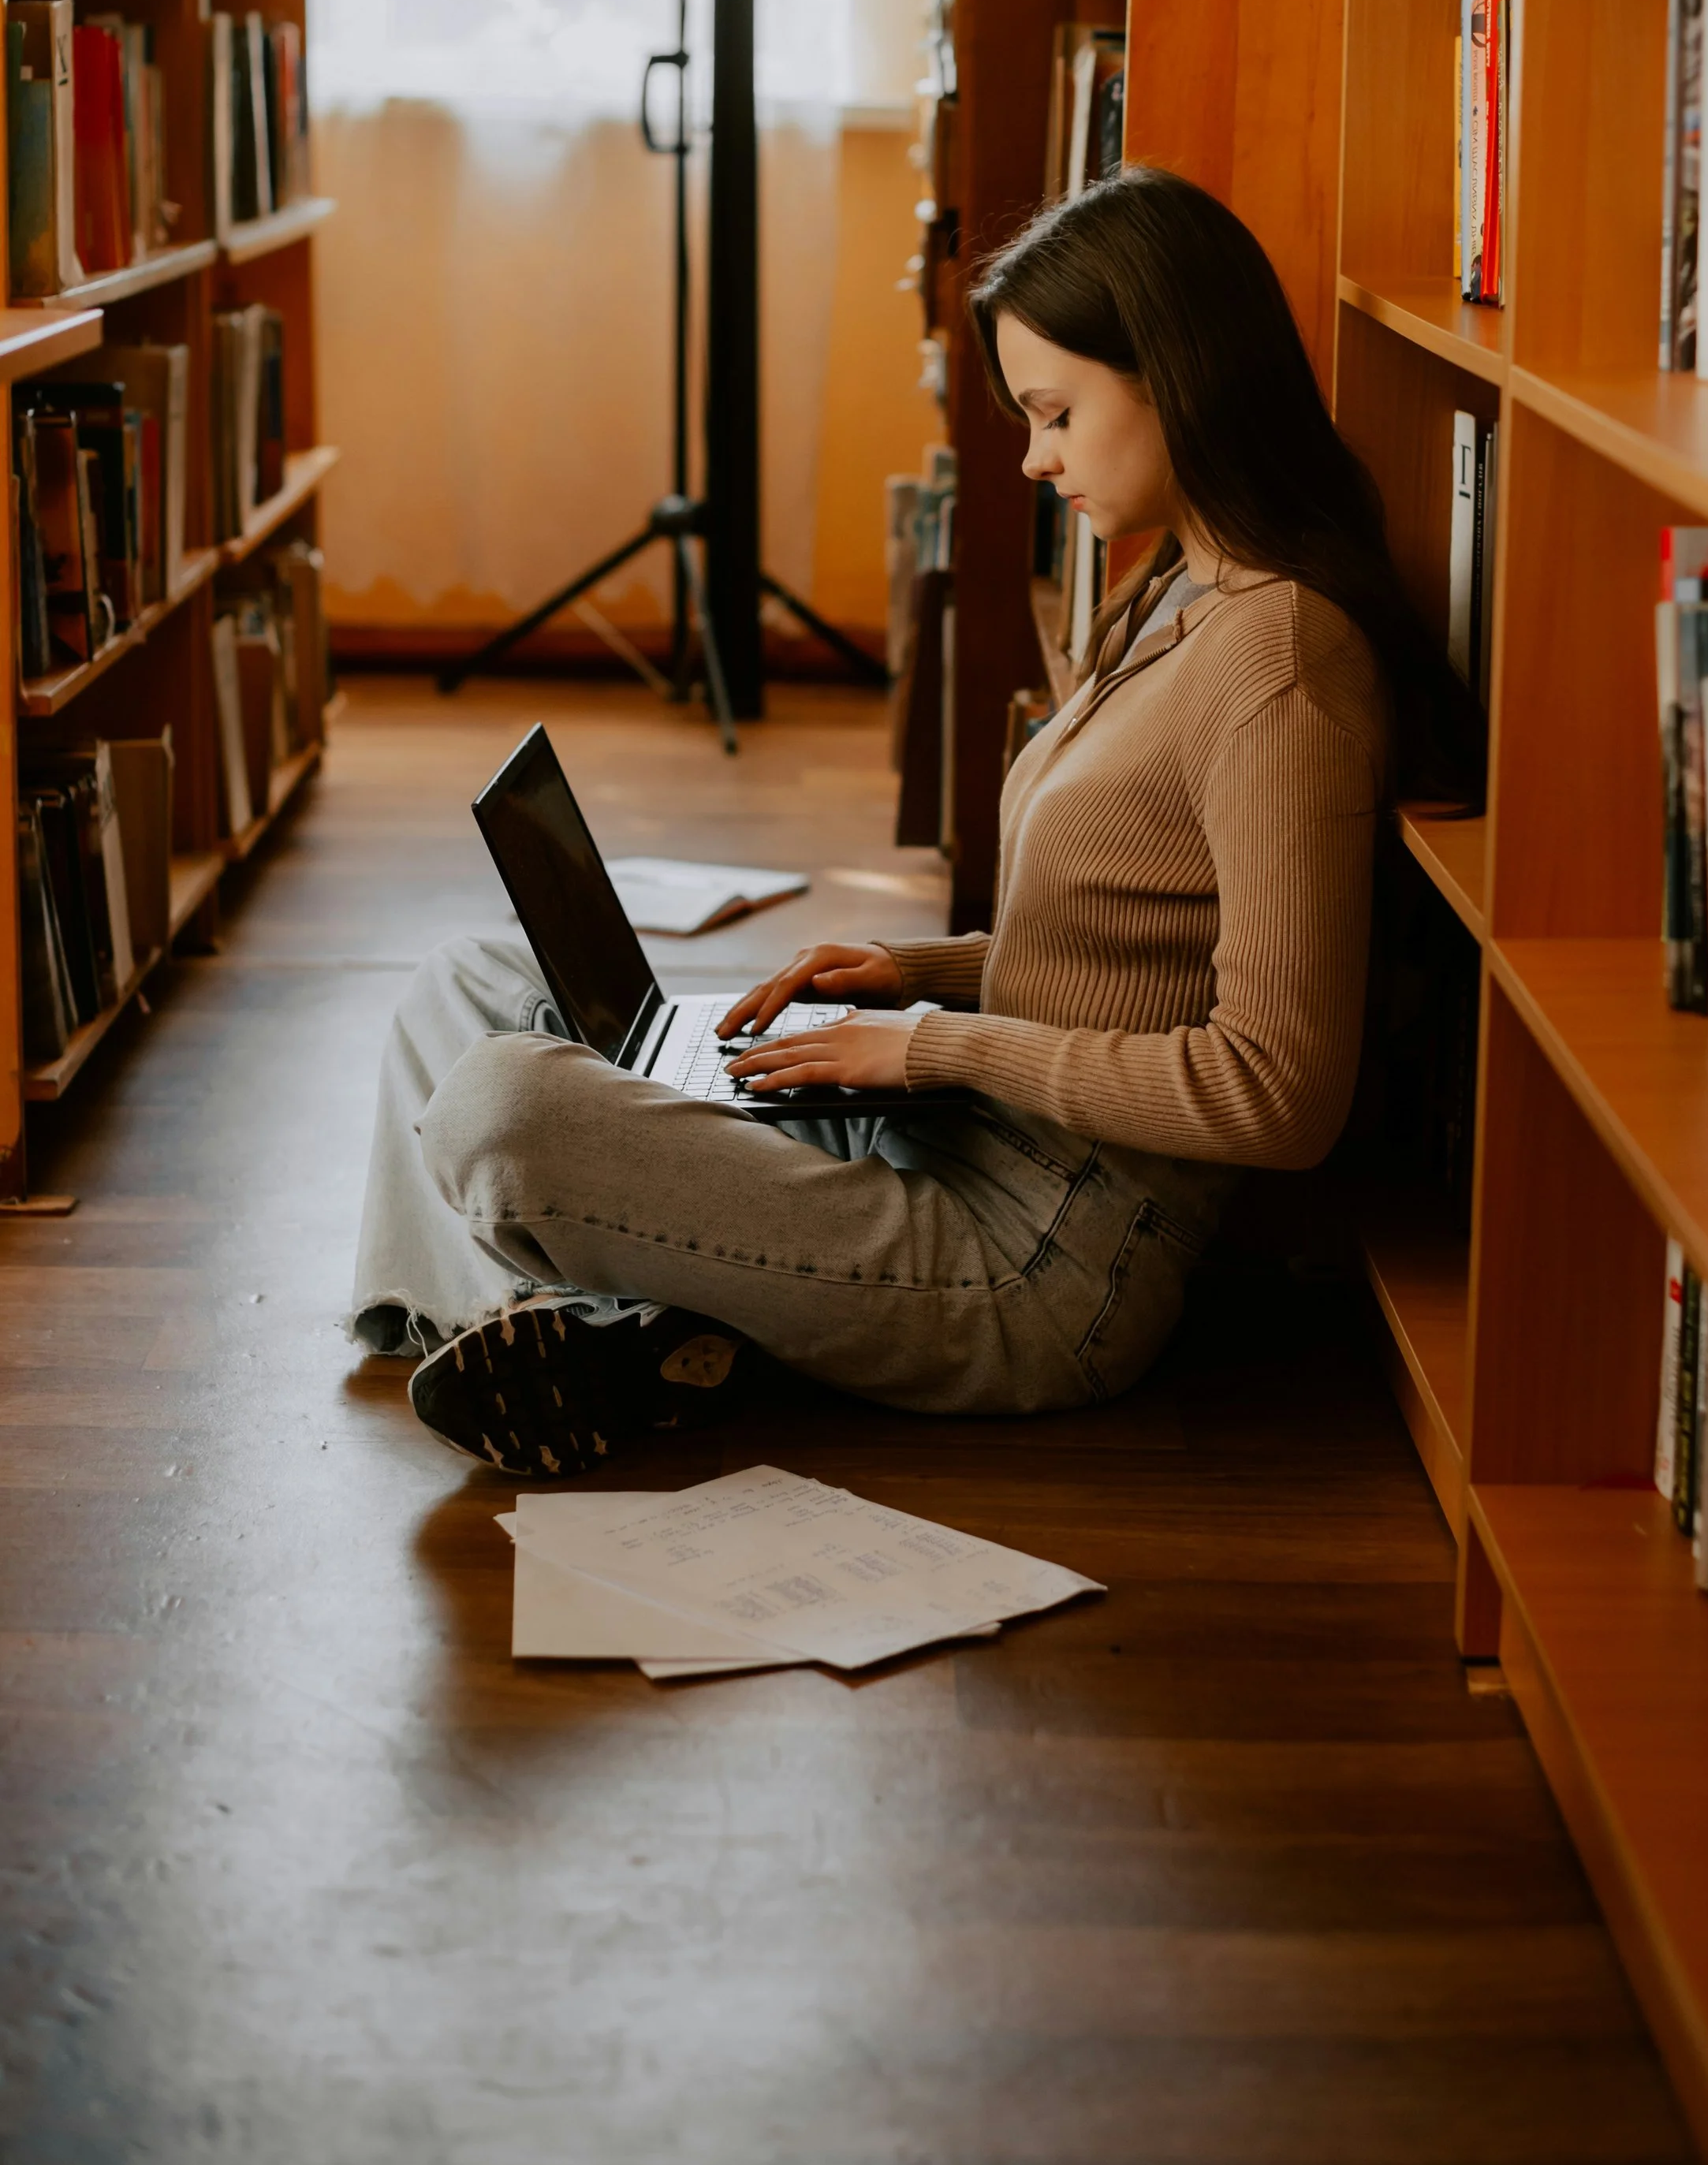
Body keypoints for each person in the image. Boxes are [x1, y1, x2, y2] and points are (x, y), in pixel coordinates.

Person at [352, 165, 1482, 1475]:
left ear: (1174, 374)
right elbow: (1130, 956)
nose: (1033, 455)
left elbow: (1277, 1094)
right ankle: (588, 1332)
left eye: (1056, 412)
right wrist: (914, 981)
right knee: (473, 977)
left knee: (504, 1104)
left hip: (1040, 1259)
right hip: (945, 1131)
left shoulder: (1278, 661)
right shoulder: (1174, 589)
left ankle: (582, 1328)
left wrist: (938, 1044)